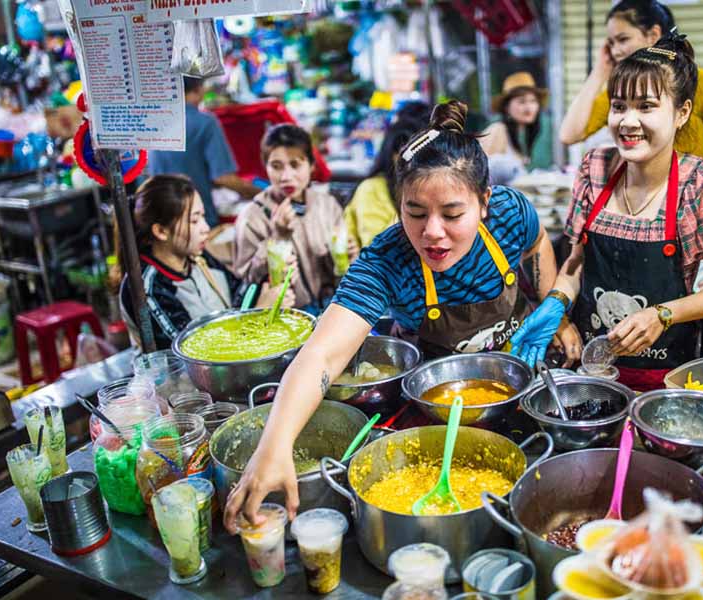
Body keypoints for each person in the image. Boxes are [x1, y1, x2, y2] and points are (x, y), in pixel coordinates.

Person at [223, 101, 560, 526]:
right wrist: (273, 445)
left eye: (453, 214)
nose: (431, 232)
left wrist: (555, 308)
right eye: (415, 213)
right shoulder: (386, 258)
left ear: (485, 202)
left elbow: (537, 242)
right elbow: (322, 356)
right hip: (440, 410)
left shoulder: (511, 212)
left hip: (524, 379)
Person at [513, 34, 703, 391]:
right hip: (592, 370)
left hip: (668, 379)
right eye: (618, 106)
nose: (627, 122)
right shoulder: (595, 167)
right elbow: (577, 263)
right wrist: (556, 302)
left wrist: (662, 314)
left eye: (646, 107)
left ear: (682, 112)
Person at [558, 0, 703, 166]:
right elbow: (569, 135)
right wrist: (600, 70)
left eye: (622, 39)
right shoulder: (622, 88)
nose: (615, 51)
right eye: (611, 43)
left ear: (653, 35)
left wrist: (689, 167)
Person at [118, 175, 271, 350]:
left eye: (203, 217)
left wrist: (262, 274)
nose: (206, 228)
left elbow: (239, 301)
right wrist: (260, 314)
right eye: (194, 221)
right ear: (161, 231)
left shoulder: (199, 259)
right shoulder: (145, 287)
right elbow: (193, 354)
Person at [233, 124, 352, 315]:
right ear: (266, 167)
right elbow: (245, 279)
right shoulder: (252, 216)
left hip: (329, 306)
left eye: (295, 164)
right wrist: (277, 239)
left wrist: (345, 255)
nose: (286, 177)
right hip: (284, 315)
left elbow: (338, 271)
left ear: (312, 165)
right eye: (276, 166)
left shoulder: (327, 205)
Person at [148, 77, 261, 227]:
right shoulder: (205, 122)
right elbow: (223, 177)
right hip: (195, 222)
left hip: (161, 221)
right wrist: (261, 194)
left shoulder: (154, 121)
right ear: (198, 89)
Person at [345, 113, 429, 249]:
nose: (413, 164)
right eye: (405, 155)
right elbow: (377, 250)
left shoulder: (432, 187)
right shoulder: (372, 190)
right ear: (391, 156)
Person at [479, 72, 555, 174]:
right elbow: (480, 172)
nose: (529, 108)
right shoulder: (497, 129)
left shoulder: (526, 132)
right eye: (522, 102)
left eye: (533, 101)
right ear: (507, 107)